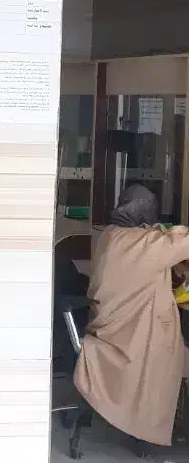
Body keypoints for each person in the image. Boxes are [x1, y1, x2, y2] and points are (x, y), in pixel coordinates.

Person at [74, 184, 189, 446]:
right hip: (130, 340)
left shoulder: (109, 236)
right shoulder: (145, 243)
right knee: (176, 357)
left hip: (107, 331)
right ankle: (152, 426)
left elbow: (139, 268)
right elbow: (179, 243)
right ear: (144, 213)